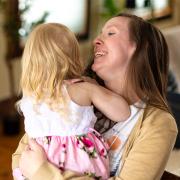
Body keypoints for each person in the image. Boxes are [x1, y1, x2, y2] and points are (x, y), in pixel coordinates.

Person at [12, 13, 178, 180]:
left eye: (111, 33)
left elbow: (31, 165)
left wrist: (42, 172)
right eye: (100, 33)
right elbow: (21, 156)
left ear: (141, 47)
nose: (96, 40)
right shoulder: (72, 96)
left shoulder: (159, 124)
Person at [12, 23, 130, 180]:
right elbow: (123, 112)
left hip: (32, 169)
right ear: (73, 58)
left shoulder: (30, 99)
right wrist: (95, 87)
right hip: (79, 169)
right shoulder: (82, 89)